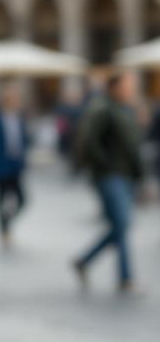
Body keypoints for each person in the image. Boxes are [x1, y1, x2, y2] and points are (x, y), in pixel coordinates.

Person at [72, 71, 145, 292]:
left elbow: (133, 147)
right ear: (114, 87)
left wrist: (140, 175)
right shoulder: (102, 109)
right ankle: (125, 278)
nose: (131, 91)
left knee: (120, 226)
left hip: (126, 176)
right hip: (111, 176)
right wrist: (105, 166)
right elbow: (89, 142)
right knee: (122, 224)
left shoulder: (126, 110)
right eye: (127, 86)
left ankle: (85, 261)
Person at [0, 84, 31, 246]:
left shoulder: (20, 118)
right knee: (0, 198)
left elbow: (24, 140)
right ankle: (4, 228)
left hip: (16, 165)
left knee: (22, 199)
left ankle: (6, 219)